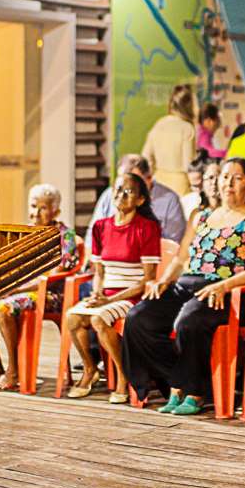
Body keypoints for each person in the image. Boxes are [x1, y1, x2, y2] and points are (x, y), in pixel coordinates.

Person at [122, 158, 245, 415]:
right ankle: (180, 380)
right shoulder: (202, 215)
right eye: (225, 176)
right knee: (139, 318)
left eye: (237, 178)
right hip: (186, 285)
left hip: (225, 290)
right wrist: (165, 280)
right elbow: (182, 258)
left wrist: (224, 286)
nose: (229, 182)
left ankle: (192, 391)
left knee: (189, 320)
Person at [63, 173, 161, 403]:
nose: (120, 194)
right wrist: (97, 292)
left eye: (128, 191)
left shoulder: (147, 228)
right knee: (72, 318)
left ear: (140, 200)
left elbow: (147, 280)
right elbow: (99, 272)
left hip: (132, 298)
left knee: (99, 320)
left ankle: (122, 375)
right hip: (105, 296)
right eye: (118, 189)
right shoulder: (100, 226)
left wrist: (109, 300)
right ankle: (90, 369)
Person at [0, 184, 78, 392]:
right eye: (33, 206)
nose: (35, 213)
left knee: (2, 307)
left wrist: (15, 290)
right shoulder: (26, 232)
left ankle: (14, 371)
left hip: (51, 294)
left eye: (43, 208)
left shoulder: (65, 235)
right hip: (23, 291)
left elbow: (56, 273)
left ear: (55, 211)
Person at [86, 154, 186, 245]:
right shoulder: (109, 194)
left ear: (149, 178)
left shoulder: (170, 200)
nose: (125, 188)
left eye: (133, 181)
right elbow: (93, 235)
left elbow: (174, 243)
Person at [142, 84, 196, 196]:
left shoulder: (159, 124)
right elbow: (189, 165)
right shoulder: (187, 128)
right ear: (189, 106)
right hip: (180, 187)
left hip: (158, 183)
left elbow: (146, 157)